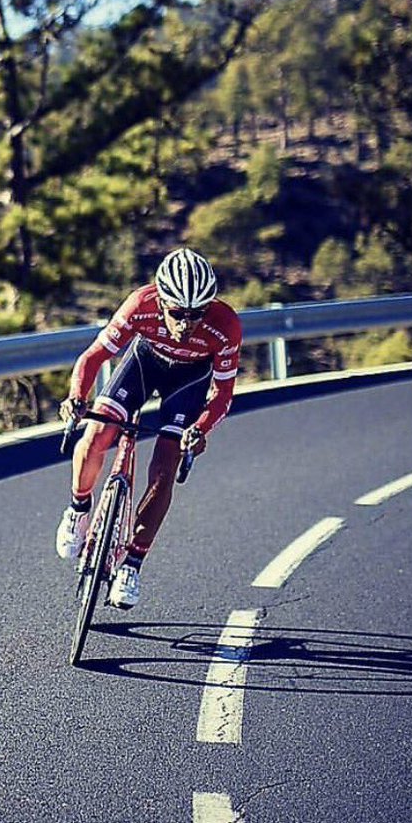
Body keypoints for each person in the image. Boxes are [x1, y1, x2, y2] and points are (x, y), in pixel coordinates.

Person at [55, 248, 242, 609]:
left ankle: (132, 564)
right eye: (177, 314)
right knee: (97, 433)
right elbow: (93, 357)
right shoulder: (140, 304)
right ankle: (78, 509)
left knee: (164, 469)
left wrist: (200, 429)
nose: (186, 324)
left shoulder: (225, 326)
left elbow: (223, 394)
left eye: (197, 314)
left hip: (189, 381)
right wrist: (77, 397)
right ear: (161, 302)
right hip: (145, 362)